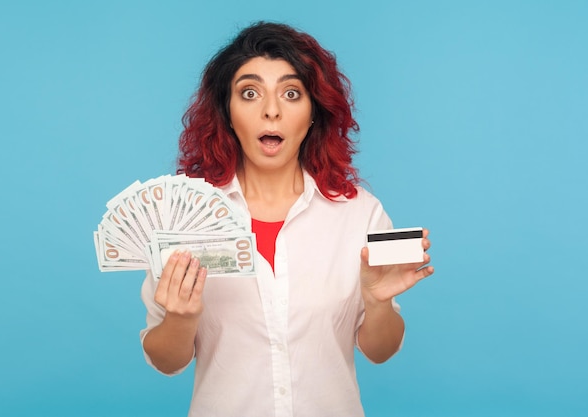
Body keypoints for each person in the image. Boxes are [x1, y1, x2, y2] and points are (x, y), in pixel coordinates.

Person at [140, 21, 434, 417]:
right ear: (227, 112)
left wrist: (378, 303)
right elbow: (167, 361)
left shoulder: (361, 213)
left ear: (314, 112)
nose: (272, 110)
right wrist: (180, 317)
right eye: (249, 93)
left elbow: (380, 352)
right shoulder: (184, 218)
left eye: (291, 93)